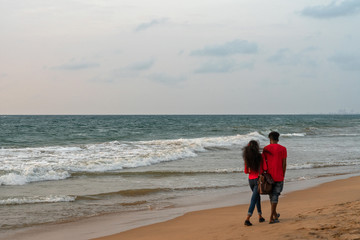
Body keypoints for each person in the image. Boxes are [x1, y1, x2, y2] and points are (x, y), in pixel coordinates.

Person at [262, 131, 287, 224]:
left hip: (269, 177)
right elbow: (284, 163)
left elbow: (264, 164)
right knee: (275, 196)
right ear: (278, 139)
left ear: (270, 139)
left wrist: (264, 173)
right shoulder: (283, 149)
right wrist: (283, 174)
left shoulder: (266, 149)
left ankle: (275, 215)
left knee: (271, 196)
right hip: (279, 175)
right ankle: (272, 217)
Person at [243, 140, 265, 226]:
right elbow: (262, 169)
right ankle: (247, 218)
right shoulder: (259, 157)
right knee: (254, 199)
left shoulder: (246, 157)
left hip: (250, 180)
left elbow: (246, 171)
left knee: (256, 197)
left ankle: (260, 216)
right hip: (257, 180)